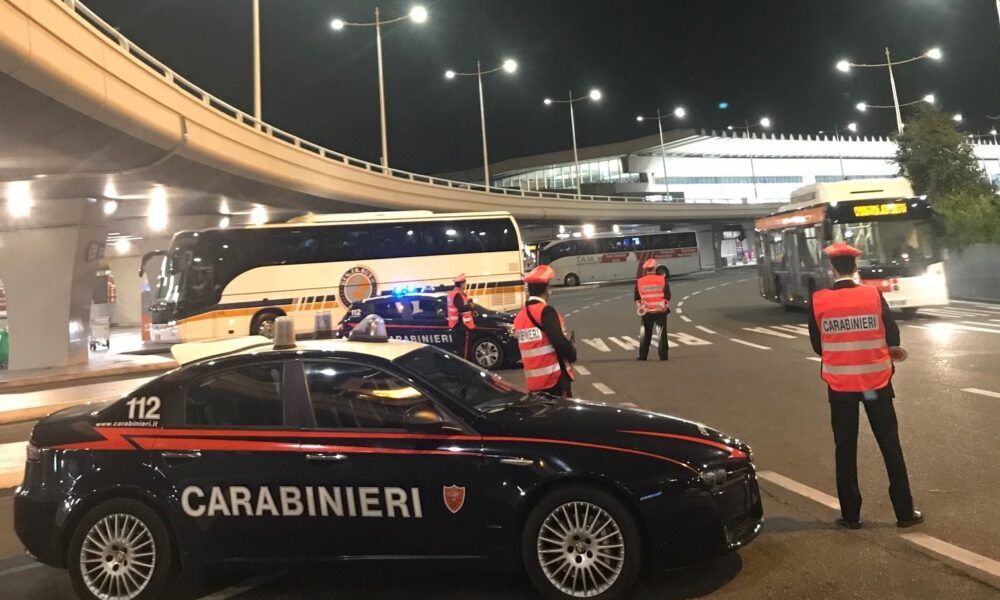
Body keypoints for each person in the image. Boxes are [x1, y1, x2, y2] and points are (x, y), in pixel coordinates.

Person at [808, 242, 923, 529]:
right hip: (876, 384)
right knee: (889, 444)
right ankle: (905, 512)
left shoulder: (819, 300)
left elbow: (817, 345)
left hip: (841, 387)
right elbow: (892, 333)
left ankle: (851, 515)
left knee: (845, 448)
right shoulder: (873, 295)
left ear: (832, 268)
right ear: (855, 267)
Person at [514, 265, 577, 397]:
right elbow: (559, 342)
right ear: (547, 288)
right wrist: (572, 354)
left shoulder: (520, 317)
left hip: (534, 383)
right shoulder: (545, 311)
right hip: (554, 380)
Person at [634, 259, 671, 361]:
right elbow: (667, 296)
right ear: (655, 268)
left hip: (647, 312)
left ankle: (643, 355)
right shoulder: (662, 280)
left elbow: (637, 298)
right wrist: (664, 306)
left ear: (645, 270)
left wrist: (641, 307)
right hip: (660, 311)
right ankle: (663, 356)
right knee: (662, 334)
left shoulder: (640, 282)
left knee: (645, 335)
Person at [447, 273, 475, 360]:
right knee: (464, 351)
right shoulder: (457, 295)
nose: (465, 285)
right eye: (465, 283)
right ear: (461, 284)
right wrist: (470, 306)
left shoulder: (454, 294)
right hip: (462, 326)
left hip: (456, 325)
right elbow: (462, 308)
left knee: (461, 350)